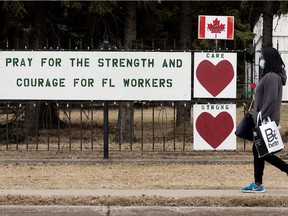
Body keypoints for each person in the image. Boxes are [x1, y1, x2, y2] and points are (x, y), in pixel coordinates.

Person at [240, 47, 288, 193]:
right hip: (264, 119)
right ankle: (258, 183)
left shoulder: (272, 76)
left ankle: (262, 181)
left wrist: (261, 115)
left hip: (265, 120)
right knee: (259, 151)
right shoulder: (271, 76)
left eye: (262, 58)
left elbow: (271, 99)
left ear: (269, 59)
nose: (260, 60)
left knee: (262, 152)